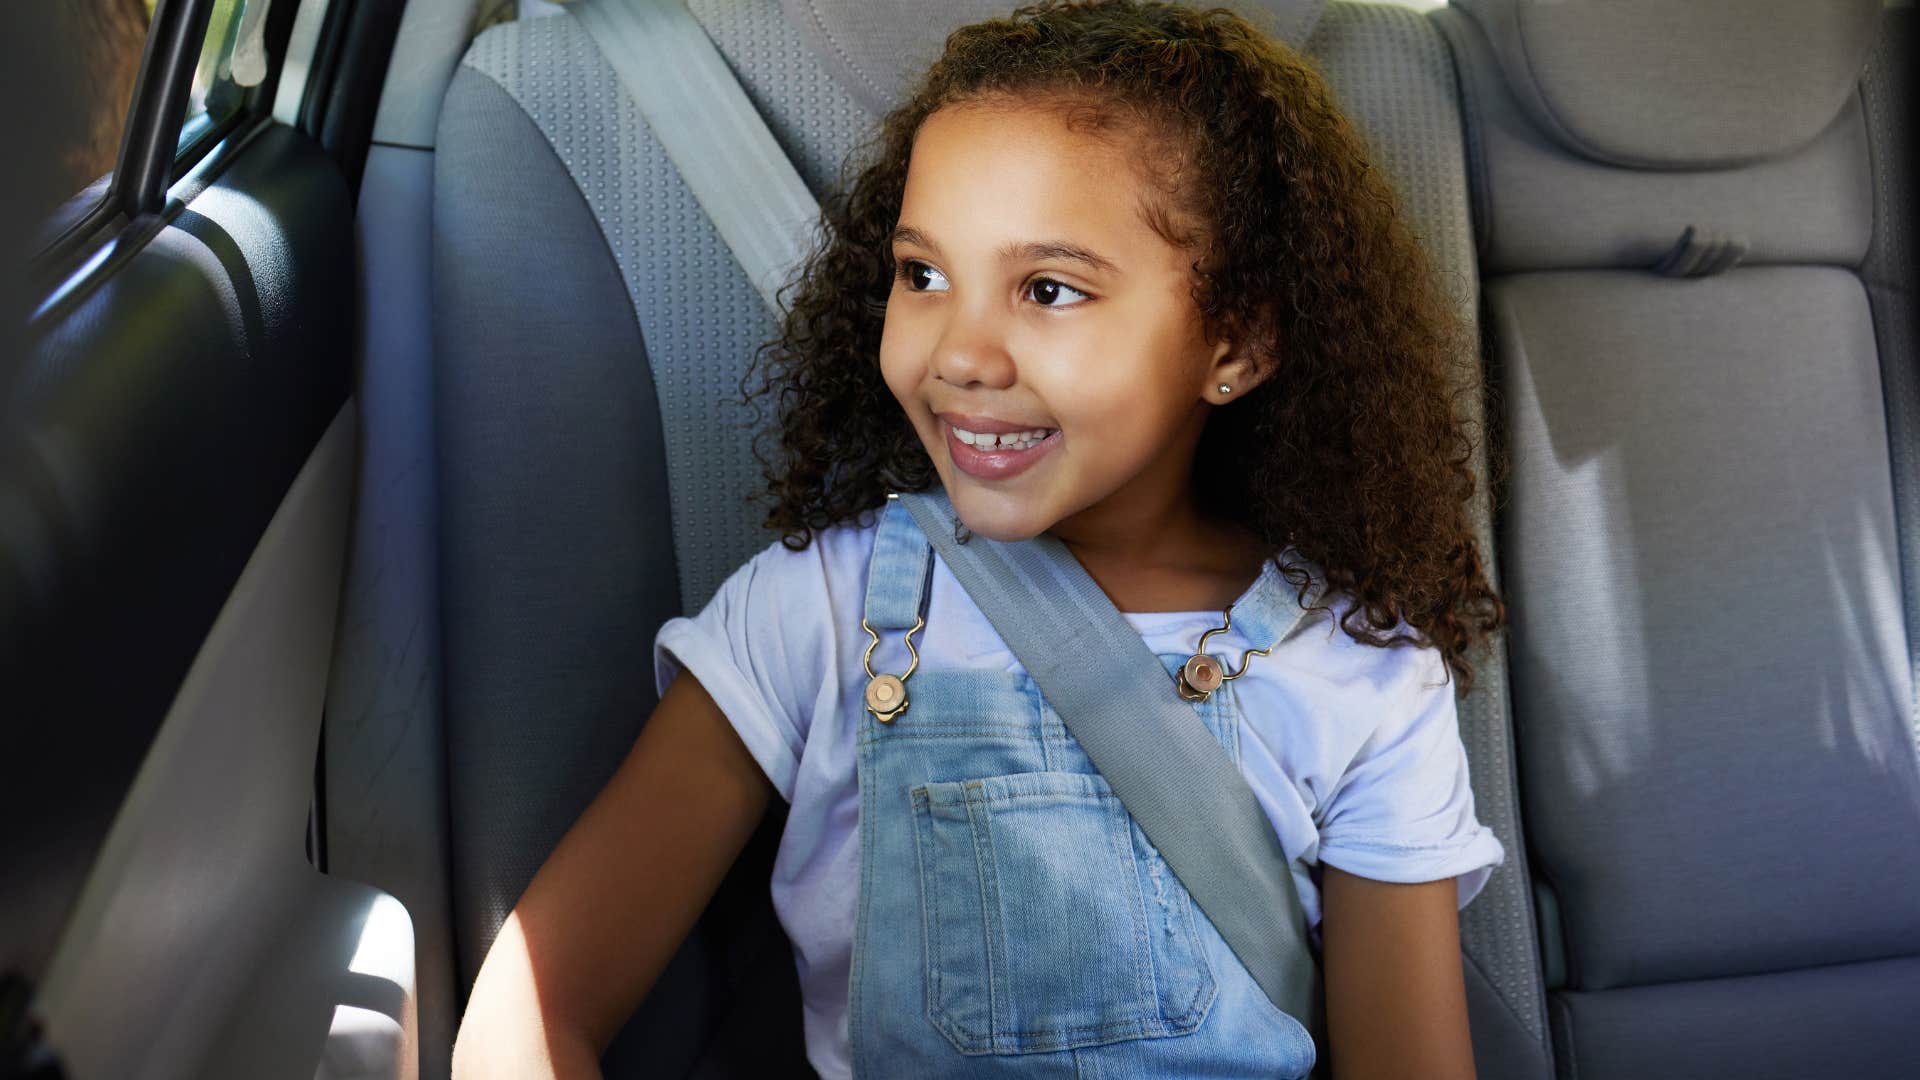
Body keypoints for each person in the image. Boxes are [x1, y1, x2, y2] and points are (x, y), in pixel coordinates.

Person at [452, 1, 1507, 1077]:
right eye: (923, 276)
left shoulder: (1362, 678)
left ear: (1237, 342)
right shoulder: (819, 611)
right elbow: (531, 1009)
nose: (960, 353)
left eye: (1048, 290)